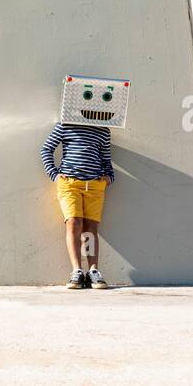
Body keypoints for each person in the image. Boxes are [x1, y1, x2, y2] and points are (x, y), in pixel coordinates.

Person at [39, 122, 114, 289]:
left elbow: (106, 159)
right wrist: (55, 175)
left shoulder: (103, 130)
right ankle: (77, 271)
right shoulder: (64, 125)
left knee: (91, 227)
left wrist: (109, 176)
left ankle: (93, 271)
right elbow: (46, 149)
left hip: (94, 185)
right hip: (69, 184)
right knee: (73, 222)